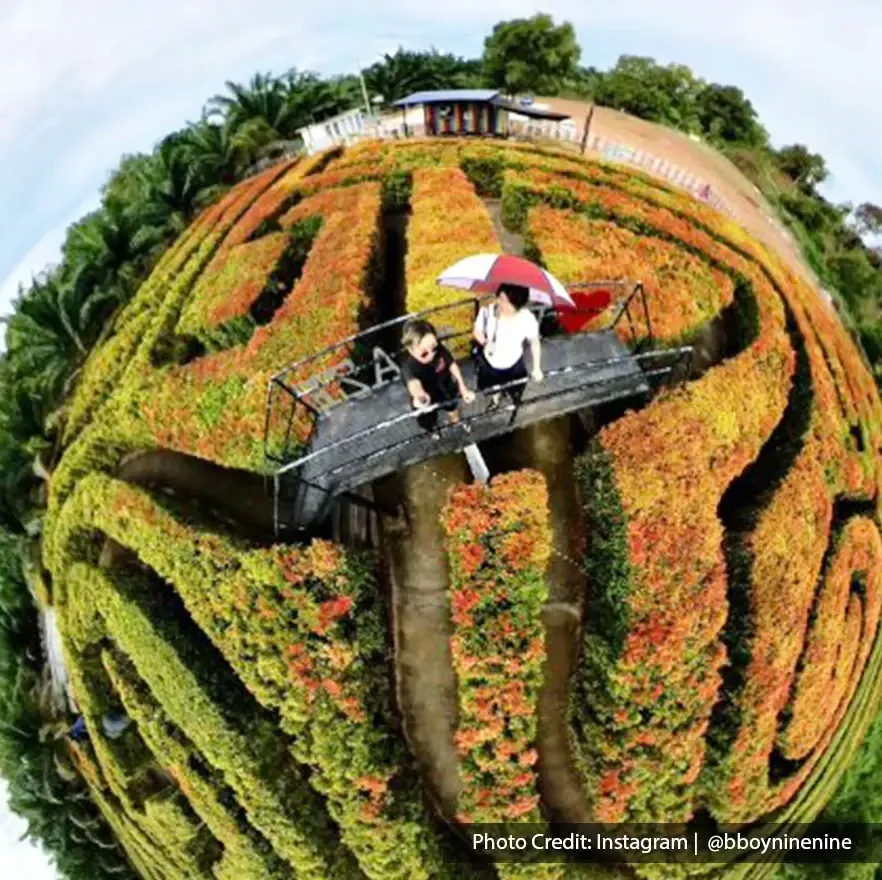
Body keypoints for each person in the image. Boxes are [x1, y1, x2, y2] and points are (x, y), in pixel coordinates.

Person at [472, 282, 543, 407]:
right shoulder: (488, 312)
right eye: (499, 297)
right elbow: (477, 331)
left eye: (504, 301)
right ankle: (495, 398)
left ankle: (511, 398)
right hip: (491, 364)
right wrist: (485, 342)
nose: (499, 302)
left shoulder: (526, 318)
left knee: (515, 388)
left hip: (514, 364)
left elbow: (534, 342)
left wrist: (537, 367)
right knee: (492, 387)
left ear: (517, 304)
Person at [401, 319, 475, 436]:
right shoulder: (409, 367)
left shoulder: (438, 348)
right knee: (428, 420)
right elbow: (413, 384)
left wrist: (463, 387)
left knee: (452, 408)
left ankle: (456, 423)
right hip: (428, 397)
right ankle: (433, 430)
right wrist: (421, 397)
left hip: (445, 388)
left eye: (434, 348)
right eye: (424, 353)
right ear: (410, 349)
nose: (431, 355)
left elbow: (451, 363)